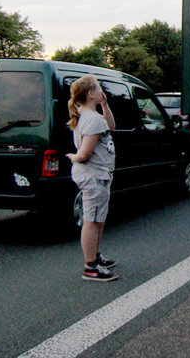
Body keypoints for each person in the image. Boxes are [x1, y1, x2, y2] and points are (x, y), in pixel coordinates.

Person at [66, 75, 119, 282]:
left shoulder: (90, 115)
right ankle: (90, 266)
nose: (101, 90)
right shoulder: (92, 119)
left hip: (99, 175)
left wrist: (105, 105)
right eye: (98, 88)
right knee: (92, 220)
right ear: (90, 94)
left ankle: (95, 257)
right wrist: (74, 158)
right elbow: (85, 153)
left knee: (98, 218)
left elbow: (111, 125)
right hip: (93, 175)